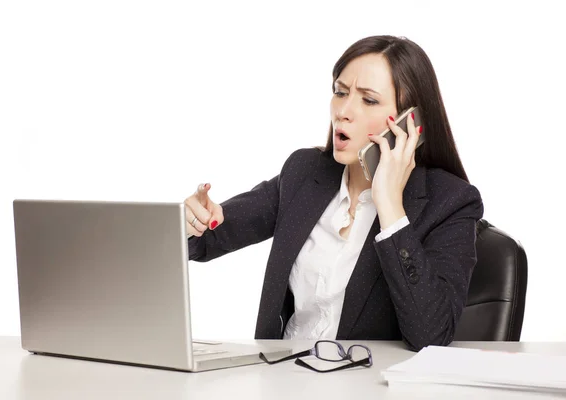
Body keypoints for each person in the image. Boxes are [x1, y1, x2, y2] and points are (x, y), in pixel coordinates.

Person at [184, 35, 483, 351]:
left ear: (411, 123)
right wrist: (195, 220)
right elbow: (206, 239)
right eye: (340, 93)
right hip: (279, 380)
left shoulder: (450, 202)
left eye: (368, 100)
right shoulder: (305, 172)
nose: (344, 111)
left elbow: (431, 336)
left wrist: (391, 208)